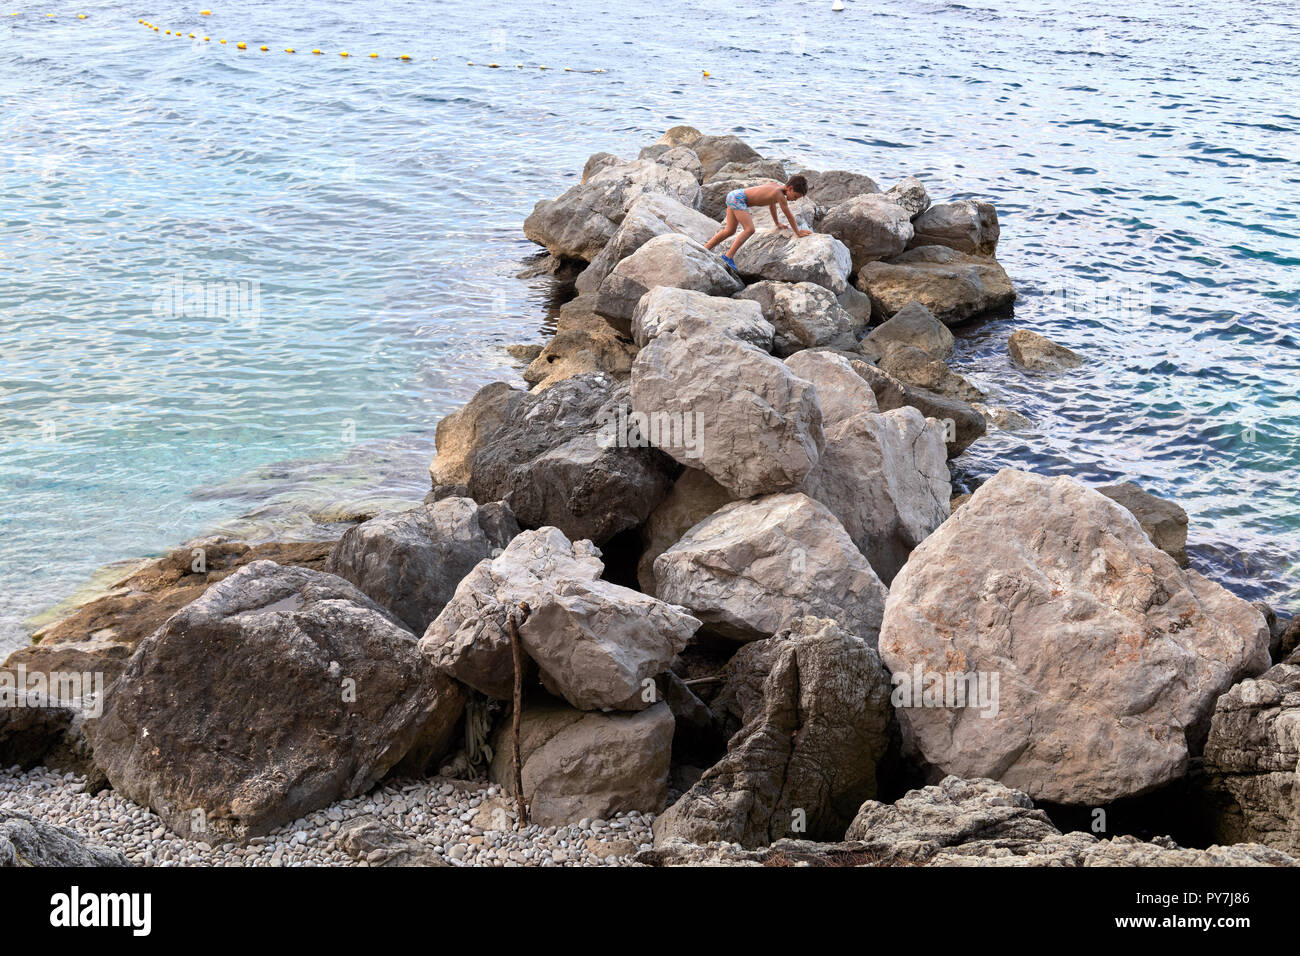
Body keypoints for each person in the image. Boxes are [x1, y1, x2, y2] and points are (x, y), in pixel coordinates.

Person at [705, 174, 811, 271]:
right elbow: (789, 215)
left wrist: (777, 223)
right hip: (739, 199)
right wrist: (797, 232)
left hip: (734, 195)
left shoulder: (775, 187)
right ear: (790, 188)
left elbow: (772, 205)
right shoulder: (779, 195)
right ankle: (728, 257)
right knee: (750, 229)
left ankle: (705, 248)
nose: (795, 200)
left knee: (730, 230)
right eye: (795, 196)